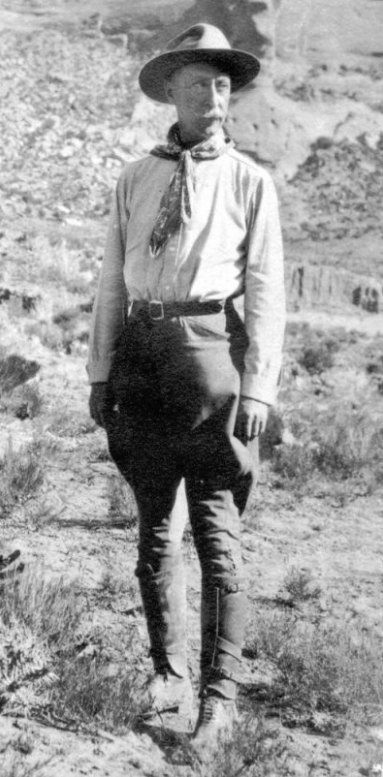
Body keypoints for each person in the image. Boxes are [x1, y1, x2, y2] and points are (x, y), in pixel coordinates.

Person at [88, 23, 285, 752]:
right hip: (141, 358)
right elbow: (111, 277)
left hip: (212, 364)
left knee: (216, 536)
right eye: (200, 82)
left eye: (224, 83)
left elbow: (265, 290)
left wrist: (258, 388)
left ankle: (218, 700)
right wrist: (100, 370)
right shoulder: (136, 177)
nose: (215, 95)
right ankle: (166, 674)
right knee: (152, 532)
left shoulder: (247, 180)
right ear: (170, 90)